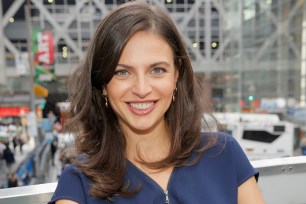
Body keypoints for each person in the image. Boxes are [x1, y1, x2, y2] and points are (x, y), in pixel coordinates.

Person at [48, 1, 265, 204]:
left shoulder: (225, 154)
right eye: (122, 72)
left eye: (157, 70)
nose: (142, 89)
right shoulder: (78, 183)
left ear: (176, 77)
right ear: (103, 84)